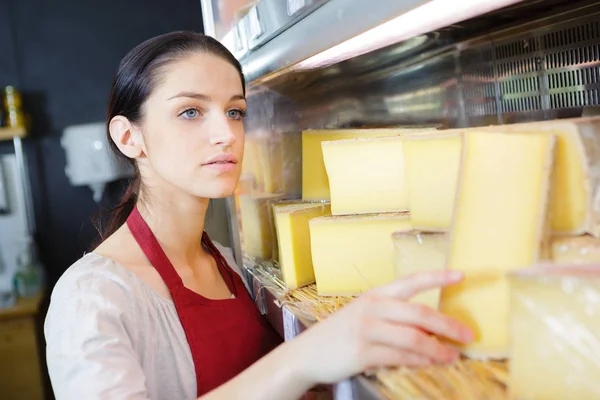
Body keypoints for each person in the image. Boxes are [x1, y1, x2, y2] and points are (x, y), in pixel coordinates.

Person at [44, 31, 473, 400]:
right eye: (190, 112)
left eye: (235, 111)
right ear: (128, 136)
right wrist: (303, 358)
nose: (226, 134)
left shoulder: (226, 262)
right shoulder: (92, 298)